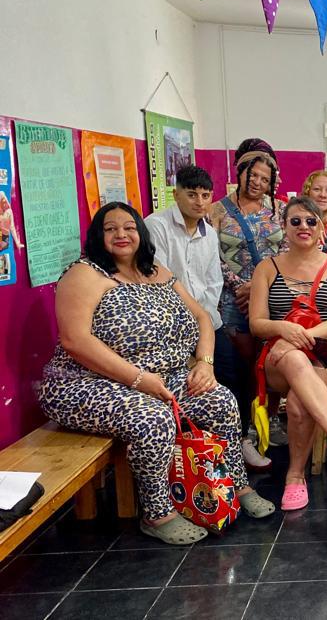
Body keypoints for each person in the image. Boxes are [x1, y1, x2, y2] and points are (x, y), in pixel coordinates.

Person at [39, 203, 275, 545]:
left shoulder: (155, 271)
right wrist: (139, 380)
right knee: (153, 418)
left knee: (221, 400)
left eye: (128, 227)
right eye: (110, 228)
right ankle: (157, 512)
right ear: (97, 236)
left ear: (140, 232)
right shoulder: (84, 274)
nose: (121, 234)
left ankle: (234, 486)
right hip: (86, 383)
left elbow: (202, 317)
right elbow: (76, 341)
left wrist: (205, 364)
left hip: (161, 377)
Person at [144, 167, 274, 470]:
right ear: (176, 194)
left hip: (206, 322)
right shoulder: (156, 226)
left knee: (237, 374)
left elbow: (214, 281)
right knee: (193, 385)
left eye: (205, 195)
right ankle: (194, 454)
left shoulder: (209, 233)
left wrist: (206, 318)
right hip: (171, 325)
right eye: (191, 195)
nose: (199, 202)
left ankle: (238, 443)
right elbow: (158, 278)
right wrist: (192, 317)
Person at [249, 197, 327, 511]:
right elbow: (257, 324)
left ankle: (295, 477)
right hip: (276, 358)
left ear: (322, 228)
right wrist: (282, 329)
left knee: (299, 403)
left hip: (326, 357)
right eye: (296, 221)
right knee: (293, 358)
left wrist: (299, 338)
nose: (304, 227)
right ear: (284, 227)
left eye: (311, 221)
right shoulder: (266, 268)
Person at [209, 140, 287, 449]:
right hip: (233, 300)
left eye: (265, 179)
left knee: (271, 360)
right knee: (242, 367)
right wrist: (239, 285)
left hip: (271, 295)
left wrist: (257, 286)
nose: (257, 183)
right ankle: (244, 426)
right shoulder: (217, 210)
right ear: (241, 172)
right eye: (252, 175)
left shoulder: (280, 209)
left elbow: (287, 249)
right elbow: (210, 255)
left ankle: (270, 417)